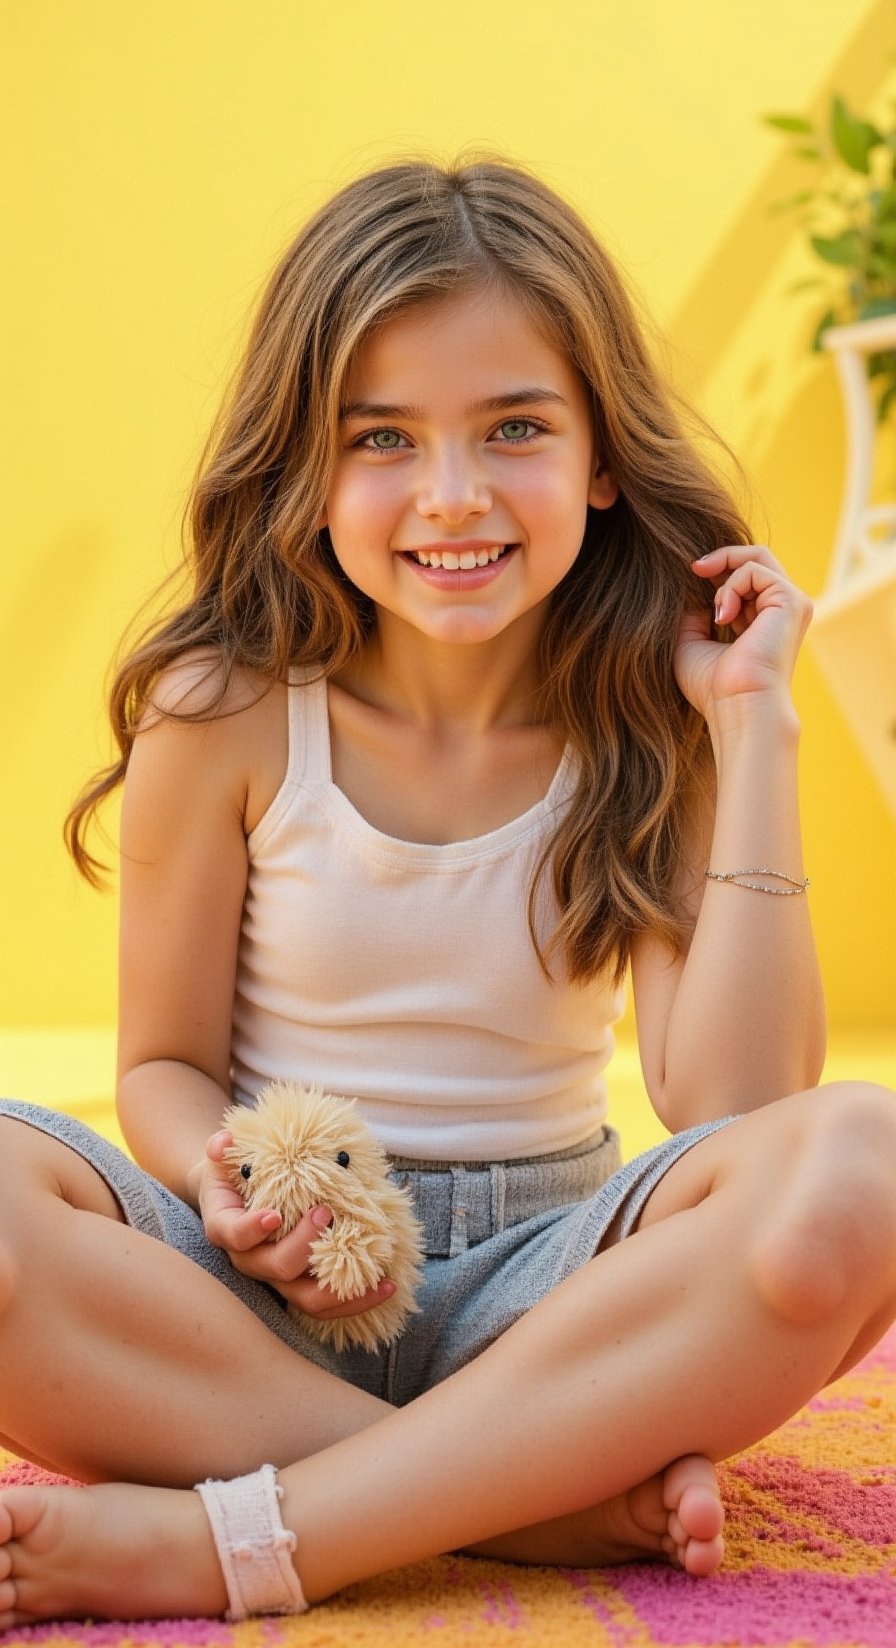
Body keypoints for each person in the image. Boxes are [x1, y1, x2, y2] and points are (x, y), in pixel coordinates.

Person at [0, 157, 894, 1630]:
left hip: (553, 1302)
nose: (454, 496)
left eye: (516, 429)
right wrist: (223, 1181)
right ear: (306, 463)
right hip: (251, 1297)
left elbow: (735, 1102)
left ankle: (236, 1542)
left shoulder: (646, 718)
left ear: (603, 457)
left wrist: (756, 727)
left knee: (864, 1163)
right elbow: (159, 1069)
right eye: (383, 441)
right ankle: (519, 1511)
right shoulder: (222, 705)